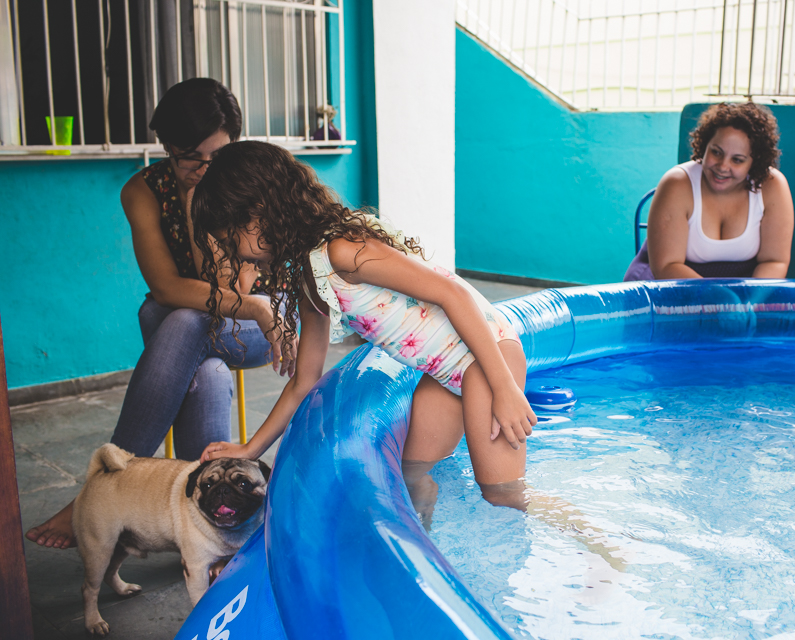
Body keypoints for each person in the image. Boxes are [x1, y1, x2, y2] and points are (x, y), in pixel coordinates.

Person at [26, 78, 296, 549]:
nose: (203, 167)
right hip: (217, 316)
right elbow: (166, 285)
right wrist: (194, 209)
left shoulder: (250, 179)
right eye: (189, 157)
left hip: (263, 326)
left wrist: (253, 303)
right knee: (202, 363)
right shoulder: (144, 191)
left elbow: (232, 286)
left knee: (182, 321)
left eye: (214, 155)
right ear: (168, 148)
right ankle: (208, 521)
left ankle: (102, 488)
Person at [193, 141, 537, 509]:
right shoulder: (310, 278)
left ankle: (587, 540)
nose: (234, 254)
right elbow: (304, 381)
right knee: (410, 481)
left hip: (485, 359)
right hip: (447, 374)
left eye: (232, 239)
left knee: (504, 496)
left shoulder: (342, 250)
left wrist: (504, 388)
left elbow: (453, 293)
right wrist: (250, 448)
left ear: (259, 213)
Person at [624, 102, 794, 281]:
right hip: (670, 285)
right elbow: (667, 266)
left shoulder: (772, 186)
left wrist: (747, 301)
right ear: (704, 146)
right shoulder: (676, 184)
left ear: (755, 162)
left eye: (737, 160)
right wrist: (720, 299)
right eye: (716, 152)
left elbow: (774, 261)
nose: (722, 166)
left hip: (742, 289)